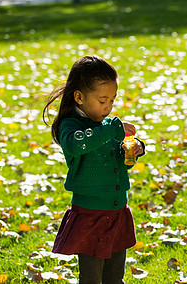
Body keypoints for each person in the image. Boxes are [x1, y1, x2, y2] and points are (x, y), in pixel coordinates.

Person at [42, 55, 145, 284]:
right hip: (90, 215)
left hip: (117, 211)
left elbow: (118, 161)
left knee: (114, 277)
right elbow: (78, 144)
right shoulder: (72, 127)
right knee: (91, 278)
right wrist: (112, 129)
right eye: (102, 100)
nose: (108, 107)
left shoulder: (104, 126)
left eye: (112, 100)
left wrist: (133, 151)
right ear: (79, 97)